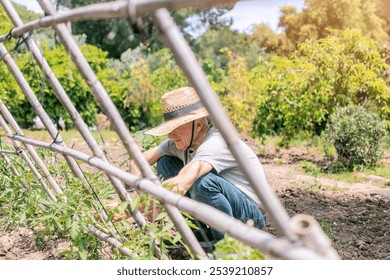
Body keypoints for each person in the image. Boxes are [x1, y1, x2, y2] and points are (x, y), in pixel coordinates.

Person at [130, 87, 266, 244]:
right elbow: (137, 161)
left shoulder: (217, 142)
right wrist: (140, 192)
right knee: (166, 163)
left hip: (249, 218)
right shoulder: (182, 142)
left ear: (199, 125)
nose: (170, 134)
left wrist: (136, 207)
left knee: (203, 182)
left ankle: (226, 246)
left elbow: (183, 182)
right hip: (229, 210)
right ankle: (198, 233)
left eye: (176, 127)